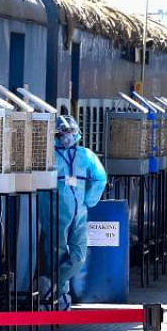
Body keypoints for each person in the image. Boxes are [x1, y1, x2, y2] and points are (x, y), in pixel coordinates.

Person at [52, 114, 107, 309]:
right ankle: (58, 298)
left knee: (78, 256)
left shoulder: (85, 156)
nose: (67, 136)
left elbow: (100, 178)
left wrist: (89, 200)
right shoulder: (50, 155)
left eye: (71, 132)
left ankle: (54, 284)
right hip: (53, 212)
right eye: (63, 133)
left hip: (79, 214)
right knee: (56, 254)